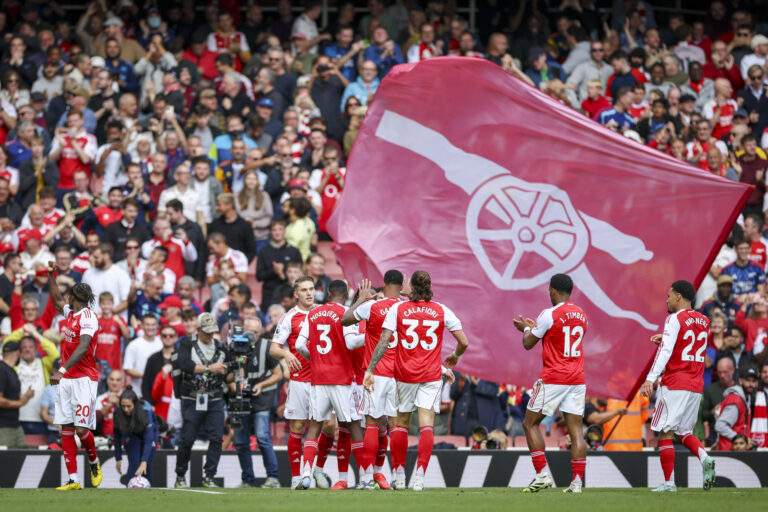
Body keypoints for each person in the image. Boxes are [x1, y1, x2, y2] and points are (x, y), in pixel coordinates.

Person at [364, 270, 466, 491]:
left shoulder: (398, 309)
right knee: (426, 425)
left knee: (400, 424)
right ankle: (419, 477)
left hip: (404, 375)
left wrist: (370, 369)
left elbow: (384, 341)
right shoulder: (441, 310)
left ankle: (399, 476)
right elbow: (464, 342)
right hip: (430, 375)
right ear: (430, 287)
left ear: (410, 288)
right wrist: (455, 356)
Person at [511, 273, 588, 494]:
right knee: (576, 433)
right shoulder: (582, 315)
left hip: (554, 377)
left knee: (530, 423)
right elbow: (561, 338)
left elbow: (528, 344)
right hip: (577, 378)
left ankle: (542, 475)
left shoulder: (549, 314)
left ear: (553, 291)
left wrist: (526, 328)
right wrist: (539, 329)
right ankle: (576, 484)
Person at [640, 280, 716, 492]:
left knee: (665, 432)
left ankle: (669, 483)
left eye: (669, 295)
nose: (667, 299)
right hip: (695, 384)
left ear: (679, 297)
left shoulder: (673, 318)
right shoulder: (704, 321)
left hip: (675, 382)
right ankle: (705, 458)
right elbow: (688, 342)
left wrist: (650, 377)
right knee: (683, 431)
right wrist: (665, 338)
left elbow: (666, 352)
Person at [294, 280, 367, 489]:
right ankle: (364, 478)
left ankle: (306, 474)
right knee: (352, 425)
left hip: (318, 379)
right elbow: (352, 343)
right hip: (341, 379)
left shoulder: (313, 313)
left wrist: (315, 359)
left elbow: (299, 345)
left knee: (314, 426)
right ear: (345, 296)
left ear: (327, 293)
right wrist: (369, 336)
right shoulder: (347, 313)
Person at [269, 276, 336, 489]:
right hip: (300, 380)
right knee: (298, 427)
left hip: (324, 380)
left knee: (329, 426)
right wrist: (287, 353)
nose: (309, 293)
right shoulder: (290, 318)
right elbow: (273, 348)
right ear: (295, 294)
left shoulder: (325, 313)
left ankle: (318, 469)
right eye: (304, 290)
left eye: (312, 289)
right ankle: (297, 476)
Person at [341, 270, 405, 489]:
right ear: (401, 285)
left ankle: (367, 479)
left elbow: (345, 320)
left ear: (384, 284)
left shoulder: (373, 306)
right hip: (400, 376)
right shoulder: (407, 308)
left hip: (376, 374)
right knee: (396, 427)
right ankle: (399, 477)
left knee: (371, 425)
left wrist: (360, 300)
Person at [46, 261, 103, 491]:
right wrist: (52, 275)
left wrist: (61, 369)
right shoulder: (71, 312)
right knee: (66, 428)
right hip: (68, 379)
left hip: (84, 379)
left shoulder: (89, 318)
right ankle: (73, 479)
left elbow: (83, 347)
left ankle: (93, 461)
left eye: (68, 295)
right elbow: (56, 301)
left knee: (81, 430)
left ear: (74, 297)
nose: (65, 299)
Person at [172, 312, 230, 488]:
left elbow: (231, 367)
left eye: (212, 332)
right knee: (187, 438)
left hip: (215, 397)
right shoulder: (187, 343)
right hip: (192, 396)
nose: (210, 335)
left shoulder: (221, 347)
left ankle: (210, 476)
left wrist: (229, 370)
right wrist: (208, 368)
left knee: (216, 438)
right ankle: (180, 475)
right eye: (206, 332)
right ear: (198, 330)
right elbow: (184, 364)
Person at [233, 317, 283, 488]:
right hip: (241, 400)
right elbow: (227, 374)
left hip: (261, 399)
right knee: (240, 441)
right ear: (243, 329)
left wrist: (261, 385)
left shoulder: (267, 347)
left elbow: (278, 374)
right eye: (249, 331)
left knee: (262, 438)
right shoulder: (235, 347)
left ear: (260, 332)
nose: (251, 335)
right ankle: (247, 479)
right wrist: (234, 385)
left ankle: (273, 477)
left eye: (255, 332)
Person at [113, 386, 158, 486]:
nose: (125, 409)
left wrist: (144, 461)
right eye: (123, 406)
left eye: (129, 406)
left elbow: (149, 439)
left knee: (147, 466)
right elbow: (117, 436)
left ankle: (148, 493)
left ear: (135, 404)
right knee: (134, 464)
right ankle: (130, 491)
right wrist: (118, 457)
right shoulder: (117, 412)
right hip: (131, 433)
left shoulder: (146, 411)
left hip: (149, 435)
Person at [256, 219, 303, 312]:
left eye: (280, 229)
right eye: (274, 230)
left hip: (291, 295)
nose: (277, 232)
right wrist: (274, 271)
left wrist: (283, 275)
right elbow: (259, 276)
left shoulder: (294, 251)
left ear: (285, 230)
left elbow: (301, 273)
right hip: (269, 294)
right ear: (270, 232)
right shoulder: (264, 251)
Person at [715, 365, 760, 450]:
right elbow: (720, 425)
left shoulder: (746, 398)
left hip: (735, 452)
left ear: (757, 383)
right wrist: (739, 439)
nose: (751, 384)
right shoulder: (736, 400)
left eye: (754, 381)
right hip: (729, 453)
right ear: (740, 381)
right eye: (748, 380)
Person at [0, 341, 34, 448]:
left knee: (21, 457)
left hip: (15, 424)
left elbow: (15, 397)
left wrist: (26, 397)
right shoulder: (1, 369)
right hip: (3, 426)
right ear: (17, 353)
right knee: (6, 461)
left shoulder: (11, 371)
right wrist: (20, 402)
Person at [123, 315, 163, 399]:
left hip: (159, 392)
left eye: (153, 325)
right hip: (138, 393)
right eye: (147, 324)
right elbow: (127, 369)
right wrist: (147, 376)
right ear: (142, 325)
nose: (150, 327)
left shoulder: (161, 344)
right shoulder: (133, 345)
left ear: (157, 326)